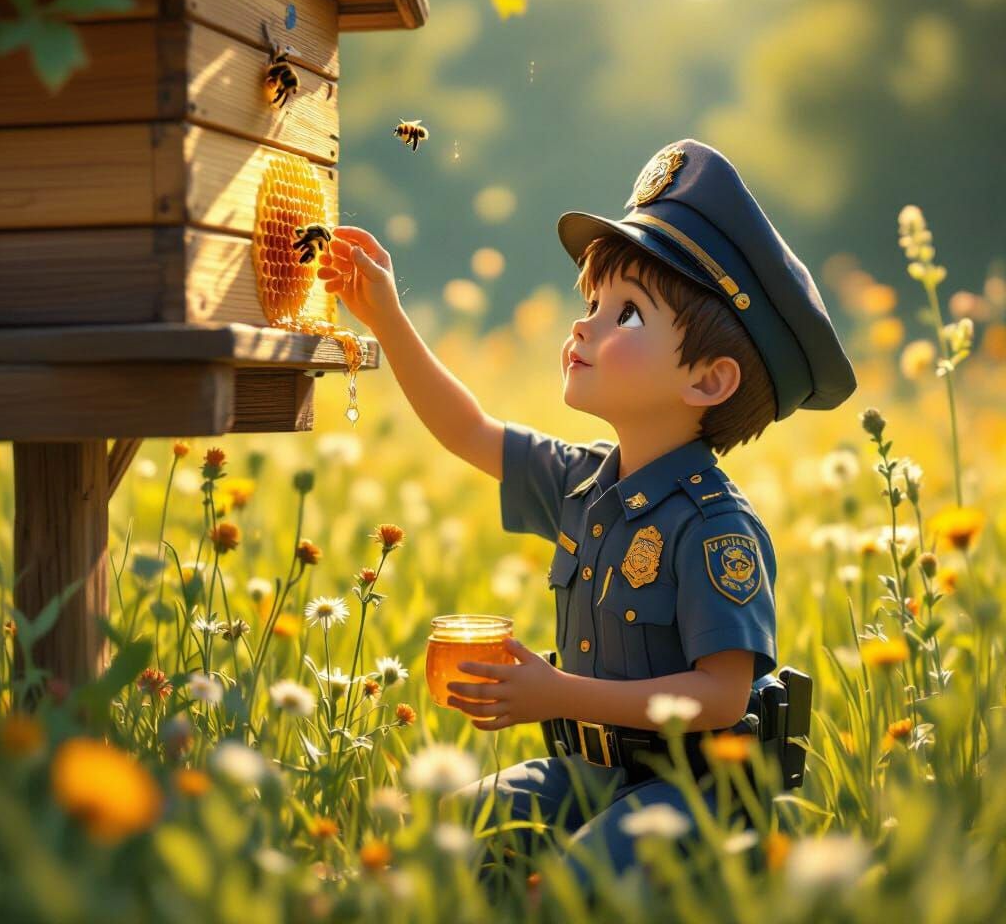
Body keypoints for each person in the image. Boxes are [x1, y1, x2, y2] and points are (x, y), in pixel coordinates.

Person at [316, 137, 857, 896]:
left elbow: (722, 697)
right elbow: (468, 430)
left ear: (709, 379)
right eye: (592, 305)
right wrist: (386, 318)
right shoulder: (584, 483)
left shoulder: (715, 529)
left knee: (575, 886)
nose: (585, 327)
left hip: (693, 791)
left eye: (627, 315)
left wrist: (557, 694)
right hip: (589, 770)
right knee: (444, 841)